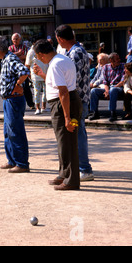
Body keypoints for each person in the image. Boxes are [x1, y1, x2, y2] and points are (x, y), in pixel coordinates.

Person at [32, 39, 82, 190]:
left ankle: (72, 180)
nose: (38, 59)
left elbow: (63, 91)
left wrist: (67, 117)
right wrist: (42, 74)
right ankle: (64, 174)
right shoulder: (62, 59)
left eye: (38, 56)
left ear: (41, 54)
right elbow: (57, 85)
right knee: (64, 142)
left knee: (68, 142)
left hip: (63, 105)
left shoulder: (55, 64)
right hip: (67, 102)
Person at [55, 24, 93, 182]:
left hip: (78, 99)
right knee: (79, 133)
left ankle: (84, 168)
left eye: (58, 39)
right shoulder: (76, 50)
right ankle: (82, 167)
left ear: (61, 39)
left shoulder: (75, 52)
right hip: (80, 98)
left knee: (78, 134)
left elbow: (72, 79)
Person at [0, 35, 30, 173]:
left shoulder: (11, 58)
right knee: (8, 132)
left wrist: (18, 85)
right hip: (9, 99)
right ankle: (12, 160)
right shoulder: (6, 59)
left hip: (14, 99)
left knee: (16, 131)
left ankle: (22, 163)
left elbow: (25, 71)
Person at [89, 52, 125, 122]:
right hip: (108, 88)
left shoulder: (123, 66)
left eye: (119, 58)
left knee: (113, 89)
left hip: (119, 88)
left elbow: (122, 81)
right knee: (93, 91)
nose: (119, 60)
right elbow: (105, 82)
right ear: (111, 60)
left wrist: (110, 90)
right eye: (117, 59)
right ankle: (95, 112)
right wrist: (107, 91)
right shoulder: (106, 67)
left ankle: (112, 113)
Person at [9, 33, 34, 109]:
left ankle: (31, 104)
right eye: (14, 39)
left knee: (26, 88)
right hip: (14, 72)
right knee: (14, 88)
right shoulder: (10, 48)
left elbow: (26, 57)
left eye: (17, 39)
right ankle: (16, 105)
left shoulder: (24, 47)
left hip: (23, 71)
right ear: (12, 40)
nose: (15, 40)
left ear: (20, 39)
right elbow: (9, 57)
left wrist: (15, 55)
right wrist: (18, 54)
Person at [25, 46, 48, 114]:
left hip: (45, 74)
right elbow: (27, 64)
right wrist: (29, 74)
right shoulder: (31, 52)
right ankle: (37, 108)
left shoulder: (45, 49)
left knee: (45, 92)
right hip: (35, 76)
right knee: (36, 92)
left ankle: (43, 107)